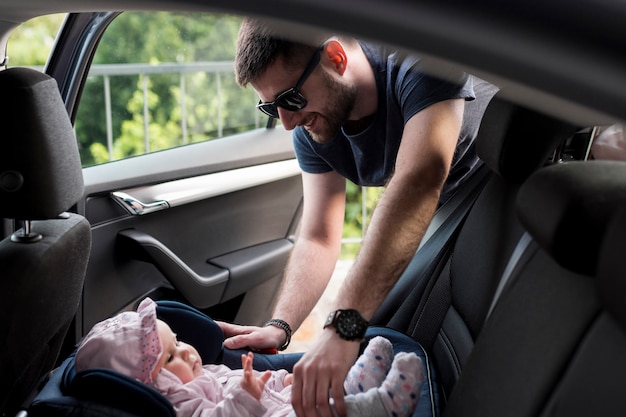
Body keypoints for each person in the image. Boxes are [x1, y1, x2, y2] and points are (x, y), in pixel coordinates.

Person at [218, 17, 498, 417]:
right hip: (437, 217)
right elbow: (317, 235)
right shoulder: (310, 128)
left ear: (335, 57)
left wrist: (343, 326)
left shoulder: (418, 57)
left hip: (485, 189)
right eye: (271, 106)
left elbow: (419, 178)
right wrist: (280, 327)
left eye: (292, 99)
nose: (287, 122)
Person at [75, 297, 424, 417]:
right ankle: (378, 408)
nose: (186, 350)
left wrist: (279, 381)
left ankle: (354, 386)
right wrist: (245, 395)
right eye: (170, 358)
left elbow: (247, 383)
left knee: (301, 392)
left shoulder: (202, 372)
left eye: (178, 341)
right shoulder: (178, 403)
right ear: (153, 383)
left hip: (272, 402)